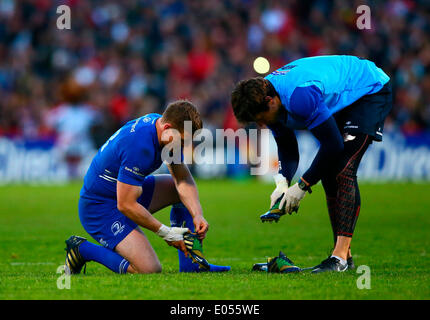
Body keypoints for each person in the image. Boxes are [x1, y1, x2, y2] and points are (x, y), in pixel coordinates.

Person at [231, 55, 392, 273]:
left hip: (368, 90)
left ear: (270, 102)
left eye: (260, 118)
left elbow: (333, 144)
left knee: (343, 169)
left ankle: (340, 258)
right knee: (328, 172)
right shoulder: (269, 96)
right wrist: (282, 182)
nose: (261, 124)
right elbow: (287, 149)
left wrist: (303, 186)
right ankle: (344, 255)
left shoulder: (299, 97)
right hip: (344, 95)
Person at [65, 100, 230, 274]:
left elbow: (182, 179)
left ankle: (193, 266)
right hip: (100, 208)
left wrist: (197, 214)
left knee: (179, 191)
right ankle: (81, 249)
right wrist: (166, 232)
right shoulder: (140, 146)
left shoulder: (164, 129)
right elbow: (126, 204)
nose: (184, 146)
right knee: (148, 269)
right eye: (182, 140)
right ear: (166, 128)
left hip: (123, 193)